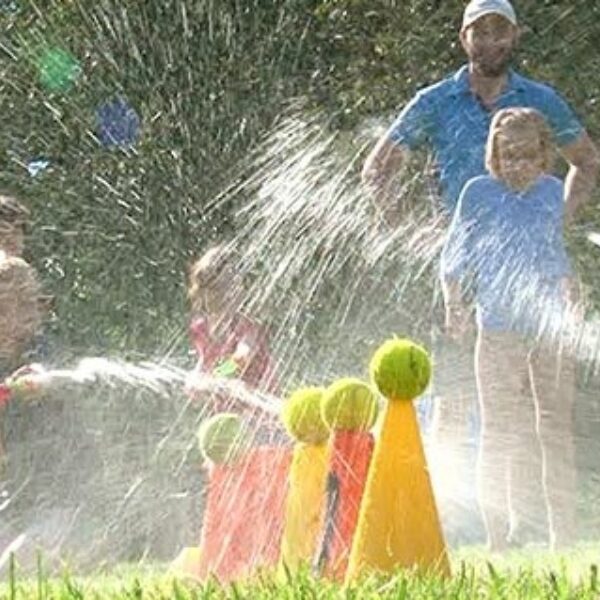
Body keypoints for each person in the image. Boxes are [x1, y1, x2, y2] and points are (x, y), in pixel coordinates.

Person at [361, 0, 598, 541]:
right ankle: (450, 529)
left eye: (500, 31)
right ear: (463, 37)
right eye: (479, 31)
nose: (490, 41)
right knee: (453, 402)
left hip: (532, 281)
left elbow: (588, 161)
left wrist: (554, 220)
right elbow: (377, 169)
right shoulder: (435, 101)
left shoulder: (539, 101)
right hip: (465, 278)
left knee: (538, 416)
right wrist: (413, 236)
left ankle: (524, 527)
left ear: (515, 36)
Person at [441, 107, 578, 551]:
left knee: (554, 427)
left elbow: (555, 253)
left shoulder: (552, 192)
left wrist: (571, 294)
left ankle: (563, 539)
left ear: (544, 156)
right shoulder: (478, 193)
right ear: (494, 155)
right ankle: (496, 541)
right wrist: (455, 305)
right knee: (498, 430)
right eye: (507, 156)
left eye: (527, 156)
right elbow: (454, 256)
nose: (517, 165)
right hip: (498, 328)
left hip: (549, 328)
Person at [185, 244, 280, 441]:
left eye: (229, 287)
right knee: (224, 449)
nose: (222, 295)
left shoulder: (247, 324)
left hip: (259, 410)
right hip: (225, 411)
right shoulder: (200, 328)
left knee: (259, 448)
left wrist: (216, 375)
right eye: (213, 289)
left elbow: (242, 357)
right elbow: (204, 360)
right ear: (201, 292)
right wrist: (195, 378)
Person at [0, 195, 44, 475]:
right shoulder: (12, 269)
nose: (16, 238)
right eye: (9, 229)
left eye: (20, 229)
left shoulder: (18, 269)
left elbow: (34, 331)